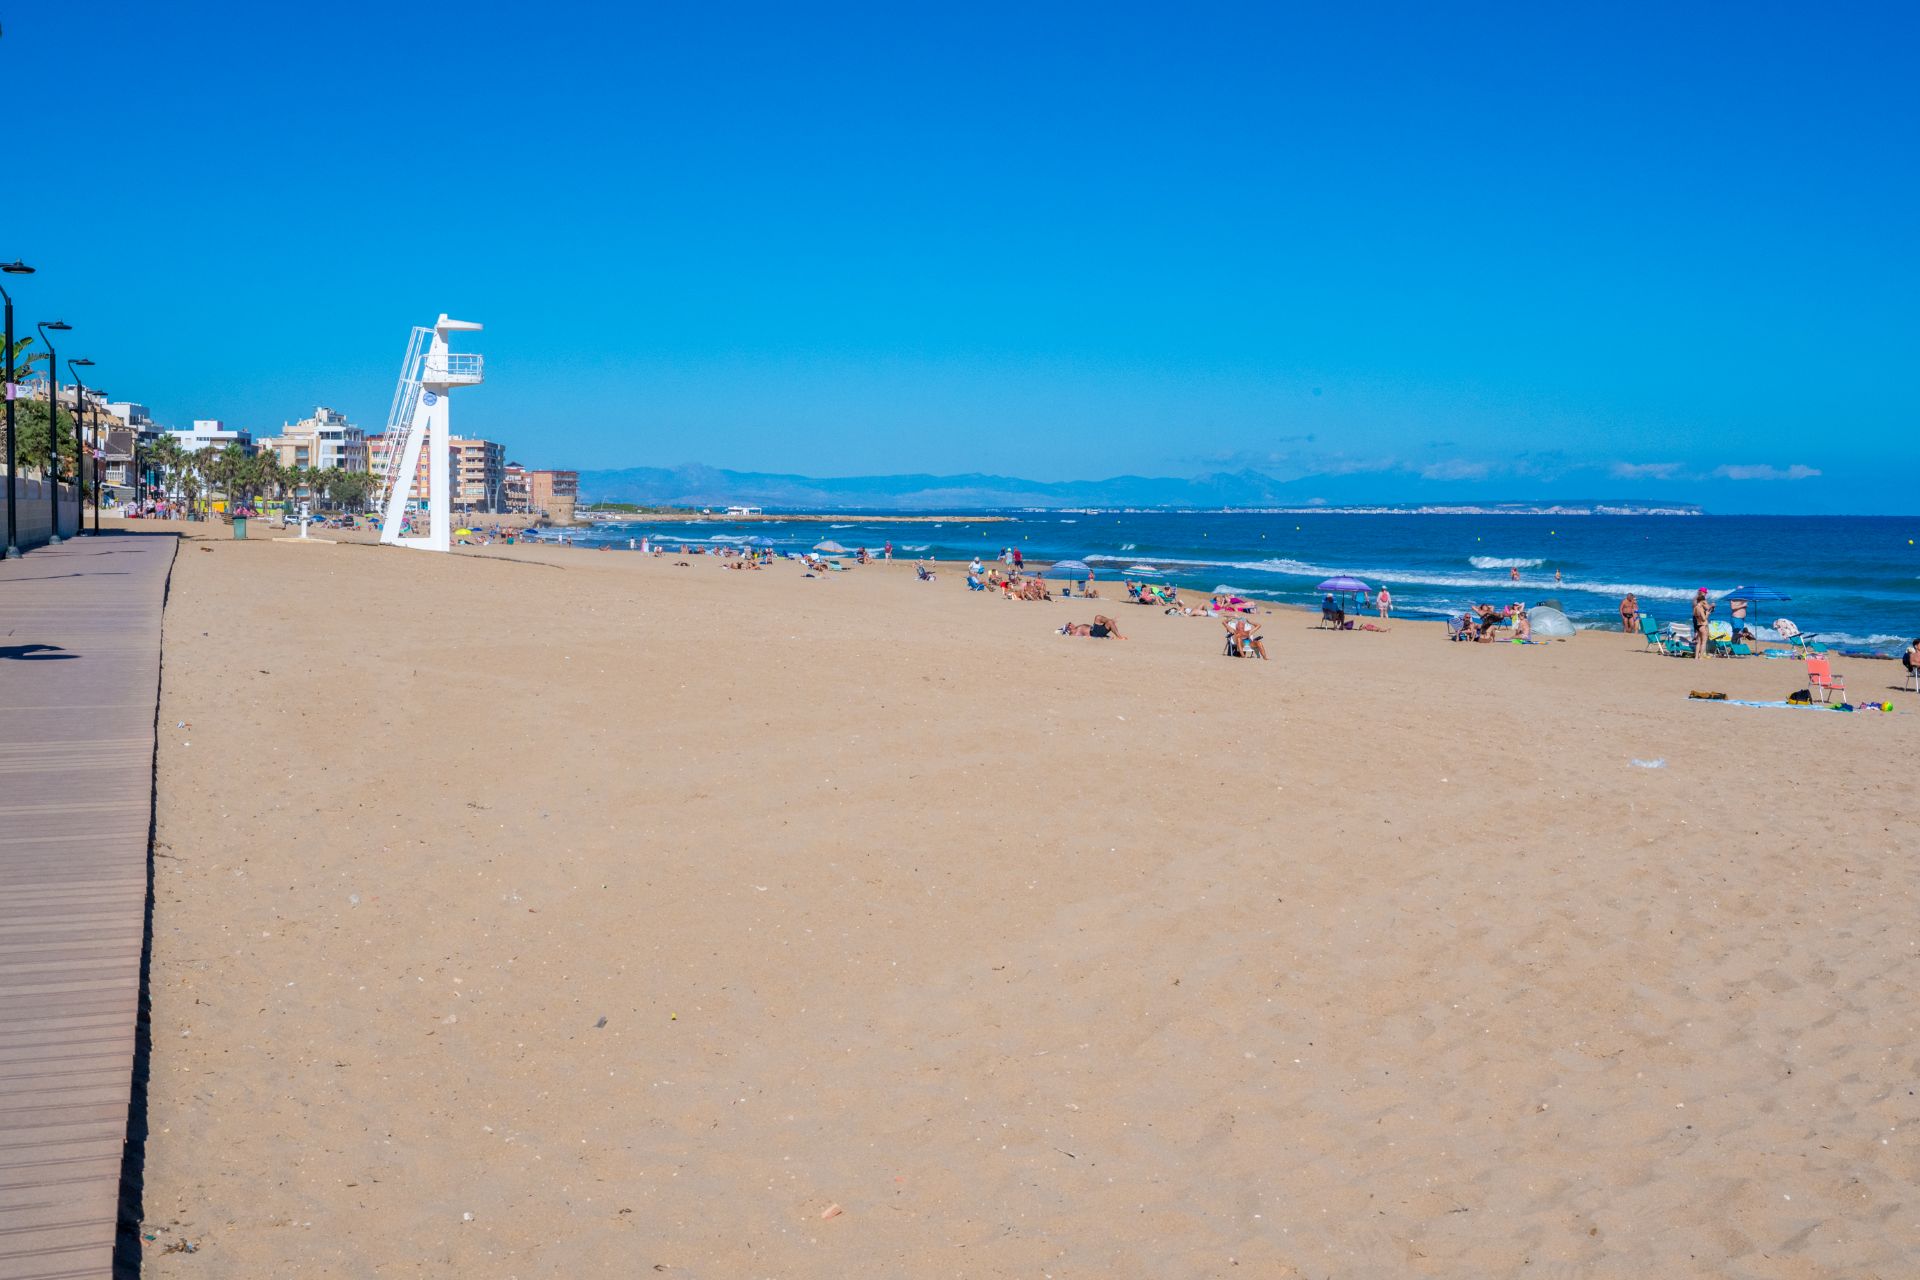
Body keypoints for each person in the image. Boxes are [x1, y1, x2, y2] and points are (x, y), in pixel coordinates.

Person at [1691, 588, 1713, 659]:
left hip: (1697, 624)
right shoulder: (1700, 608)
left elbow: (1696, 616)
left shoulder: (1695, 607)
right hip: (1702, 624)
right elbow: (1704, 618)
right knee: (1704, 642)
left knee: (1699, 641)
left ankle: (1696, 657)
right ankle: (1701, 657)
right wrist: (1707, 614)